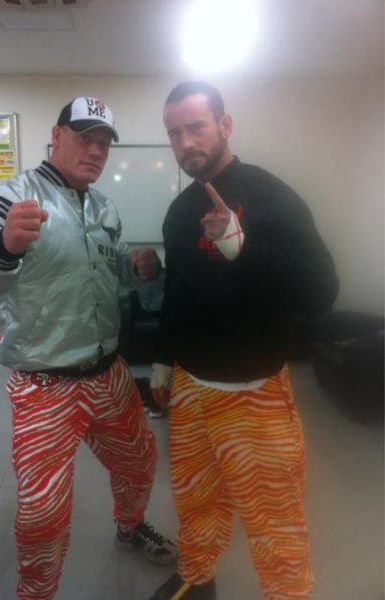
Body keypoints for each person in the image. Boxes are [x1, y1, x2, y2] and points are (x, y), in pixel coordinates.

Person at [0, 95, 177, 600]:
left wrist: (137, 267)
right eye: (84, 137)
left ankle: (129, 527)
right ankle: (37, 593)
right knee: (42, 513)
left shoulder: (104, 207)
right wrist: (2, 246)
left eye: (103, 143)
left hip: (109, 373)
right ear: (56, 136)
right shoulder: (10, 198)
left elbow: (111, 273)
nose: (95, 151)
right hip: (43, 385)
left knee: (140, 462)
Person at [149, 81, 339, 600]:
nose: (185, 142)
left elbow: (321, 290)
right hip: (192, 389)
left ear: (225, 125)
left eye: (196, 127)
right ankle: (197, 579)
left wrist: (243, 248)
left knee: (275, 521)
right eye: (174, 133)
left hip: (255, 395)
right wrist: (163, 358)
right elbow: (178, 292)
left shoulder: (270, 195)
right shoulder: (179, 211)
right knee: (195, 501)